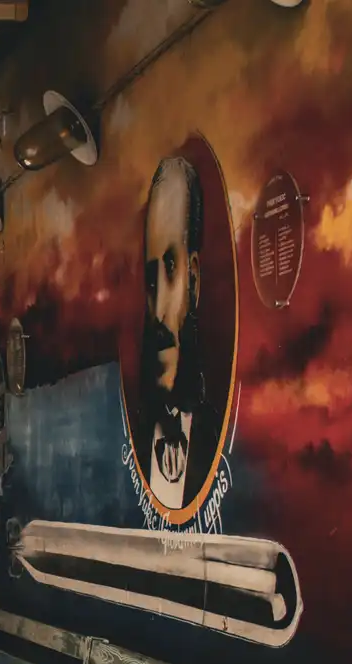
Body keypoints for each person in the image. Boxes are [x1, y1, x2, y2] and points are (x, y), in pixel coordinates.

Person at [140, 155, 209, 511]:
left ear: (194, 280)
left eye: (170, 267)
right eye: (150, 280)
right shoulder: (138, 431)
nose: (156, 309)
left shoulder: (217, 435)